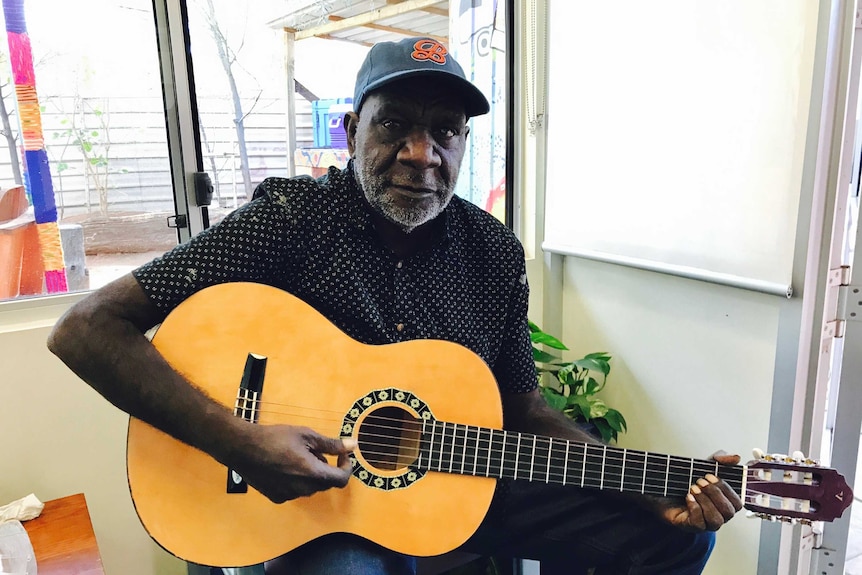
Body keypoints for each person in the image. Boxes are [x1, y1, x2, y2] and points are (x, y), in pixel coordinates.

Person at [47, 36, 743, 574]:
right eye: (395, 126)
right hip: (315, 503)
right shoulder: (288, 220)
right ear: (353, 131)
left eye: (445, 130)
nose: (421, 153)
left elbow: (523, 406)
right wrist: (238, 440)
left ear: (463, 143)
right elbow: (82, 329)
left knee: (680, 538)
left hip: (464, 485)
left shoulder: (494, 252)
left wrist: (652, 485)